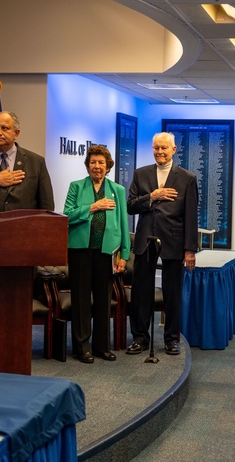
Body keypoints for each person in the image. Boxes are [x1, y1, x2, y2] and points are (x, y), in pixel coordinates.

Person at [125, 132, 199, 357]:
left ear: (174, 150)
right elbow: (130, 206)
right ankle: (139, 338)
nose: (159, 152)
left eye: (164, 148)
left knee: (172, 292)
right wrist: (152, 196)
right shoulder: (141, 174)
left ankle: (171, 339)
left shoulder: (187, 178)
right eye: (156, 148)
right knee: (140, 292)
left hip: (174, 241)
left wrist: (190, 249)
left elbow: (190, 217)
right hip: (145, 241)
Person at [63, 145, 130, 363]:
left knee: (103, 300)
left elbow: (122, 223)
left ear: (107, 166)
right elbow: (67, 216)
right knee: (81, 300)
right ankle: (82, 348)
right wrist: (93, 207)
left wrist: (124, 255)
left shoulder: (117, 190)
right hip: (80, 251)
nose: (97, 166)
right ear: (87, 165)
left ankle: (102, 347)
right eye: (93, 162)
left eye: (101, 162)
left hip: (106, 252)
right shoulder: (76, 187)